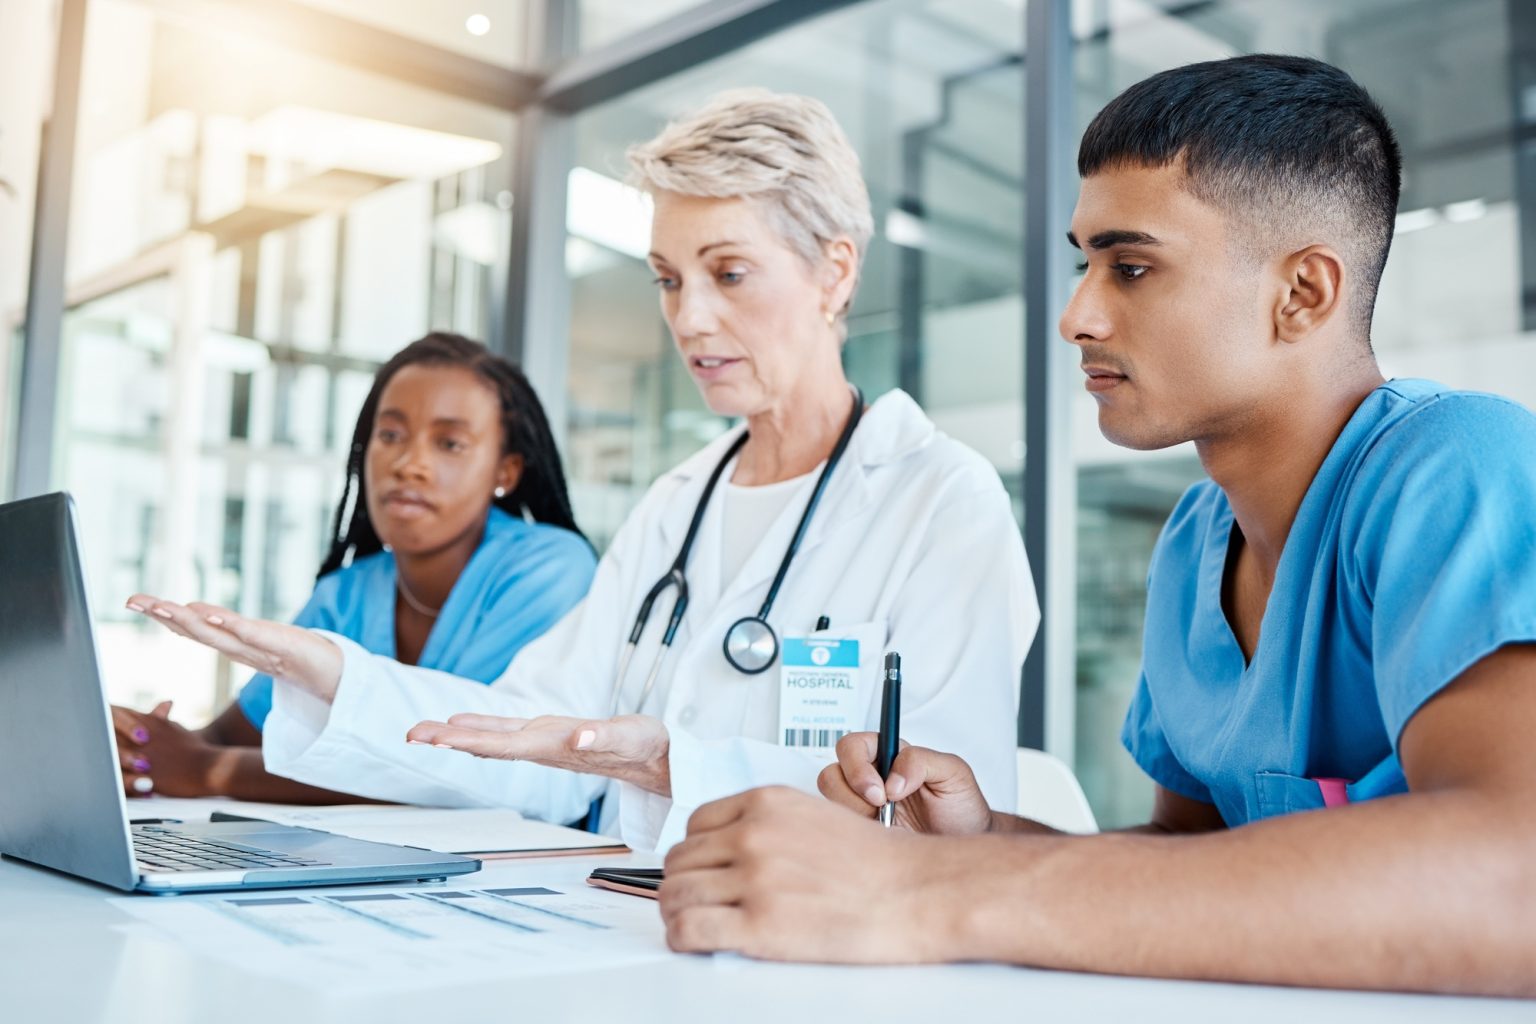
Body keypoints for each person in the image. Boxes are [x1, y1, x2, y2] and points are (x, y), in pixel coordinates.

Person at [657, 56, 1536, 997]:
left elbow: (1514, 877)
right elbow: (1186, 857)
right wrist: (976, 841)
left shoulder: (1459, 464)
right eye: (1085, 264)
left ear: (1304, 294)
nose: (1078, 314)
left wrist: (926, 894)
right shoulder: (1200, 535)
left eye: (1132, 266)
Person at [127, 89, 1039, 850]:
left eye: (728, 273)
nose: (689, 320)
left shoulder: (939, 500)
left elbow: (941, 814)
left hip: (820, 958)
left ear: (835, 273)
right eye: (669, 279)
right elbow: (531, 732)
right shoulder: (680, 503)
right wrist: (337, 673)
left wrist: (658, 758)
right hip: (628, 921)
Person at [115, 333, 597, 802]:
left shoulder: (548, 566)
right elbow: (228, 734)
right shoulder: (349, 591)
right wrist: (141, 743)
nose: (409, 463)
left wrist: (208, 771)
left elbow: (448, 764)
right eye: (390, 435)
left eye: (449, 444)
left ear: (505, 471)